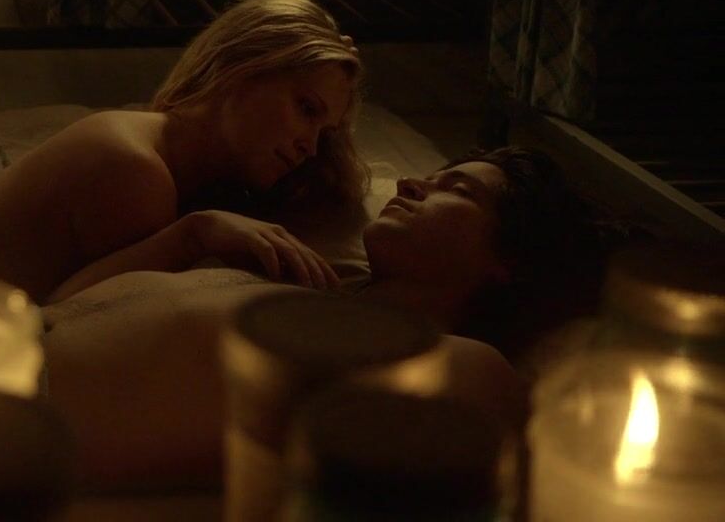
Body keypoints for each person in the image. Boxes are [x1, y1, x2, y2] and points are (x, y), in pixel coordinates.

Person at [38, 146, 609, 491]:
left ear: (511, 261)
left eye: (455, 189)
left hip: (10, 432)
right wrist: (191, 234)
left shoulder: (460, 367)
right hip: (4, 349)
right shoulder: (306, 288)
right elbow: (63, 303)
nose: (410, 183)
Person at [0, 0, 369, 304]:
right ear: (242, 69)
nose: (310, 147)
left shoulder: (164, 151)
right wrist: (194, 235)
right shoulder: (135, 172)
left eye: (324, 132)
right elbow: (64, 317)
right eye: (306, 108)